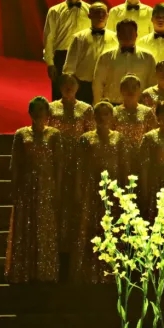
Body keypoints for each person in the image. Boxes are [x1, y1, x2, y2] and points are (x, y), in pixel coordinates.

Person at [71, 101, 128, 283]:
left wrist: (124, 192)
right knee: (92, 228)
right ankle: (90, 271)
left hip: (113, 190)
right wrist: (79, 189)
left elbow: (123, 165)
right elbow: (79, 166)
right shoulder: (86, 138)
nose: (102, 118)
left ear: (112, 117)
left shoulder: (119, 138)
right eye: (99, 114)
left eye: (106, 114)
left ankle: (113, 269)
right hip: (92, 190)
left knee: (113, 227)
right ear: (94, 117)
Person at [7, 97, 62, 283]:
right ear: (30, 113)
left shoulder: (54, 135)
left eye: (42, 110)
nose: (39, 114)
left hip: (47, 187)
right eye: (35, 110)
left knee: (44, 228)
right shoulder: (21, 134)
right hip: (26, 188)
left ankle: (45, 271)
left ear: (48, 113)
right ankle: (24, 270)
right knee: (26, 227)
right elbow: (15, 164)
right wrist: (15, 187)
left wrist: (57, 187)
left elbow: (59, 164)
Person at [48, 74, 93, 259]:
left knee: (76, 201)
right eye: (65, 84)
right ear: (60, 87)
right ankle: (57, 243)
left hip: (78, 161)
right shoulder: (51, 108)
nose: (68, 87)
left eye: (72, 83)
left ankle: (75, 244)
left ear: (78, 86)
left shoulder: (86, 109)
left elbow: (91, 136)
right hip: (56, 161)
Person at [44, 0, 91, 100]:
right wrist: (50, 63)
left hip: (83, 56)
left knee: (84, 94)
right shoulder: (54, 11)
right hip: (61, 56)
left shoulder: (90, 10)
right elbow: (49, 38)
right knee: (59, 95)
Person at [62, 3, 117, 105]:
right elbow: (70, 64)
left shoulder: (116, 37)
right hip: (84, 85)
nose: (100, 16)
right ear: (89, 15)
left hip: (107, 85)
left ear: (107, 15)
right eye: (97, 12)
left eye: (103, 13)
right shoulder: (78, 37)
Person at [93, 19, 156, 103]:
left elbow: (153, 85)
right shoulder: (105, 57)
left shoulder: (148, 58)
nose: (127, 35)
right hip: (112, 105)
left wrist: (151, 104)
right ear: (117, 35)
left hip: (140, 106)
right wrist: (99, 105)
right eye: (123, 32)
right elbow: (98, 84)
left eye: (130, 32)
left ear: (136, 34)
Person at [111, 75, 156, 150]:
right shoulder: (113, 112)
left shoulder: (147, 112)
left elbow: (153, 137)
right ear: (121, 90)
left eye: (134, 87)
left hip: (141, 153)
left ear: (139, 91)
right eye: (127, 87)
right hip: (120, 153)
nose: (130, 90)